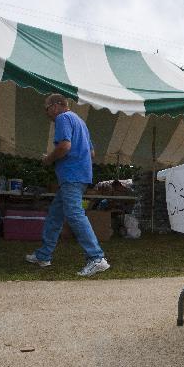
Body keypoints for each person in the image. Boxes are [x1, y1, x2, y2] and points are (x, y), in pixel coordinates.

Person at [26, 94, 110, 276]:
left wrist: (48, 159)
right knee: (55, 216)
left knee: (74, 214)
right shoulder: (80, 121)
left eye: (47, 108)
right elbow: (92, 153)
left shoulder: (63, 118)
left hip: (71, 176)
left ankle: (96, 258)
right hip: (80, 175)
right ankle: (43, 255)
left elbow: (64, 146)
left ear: (56, 106)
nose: (46, 113)